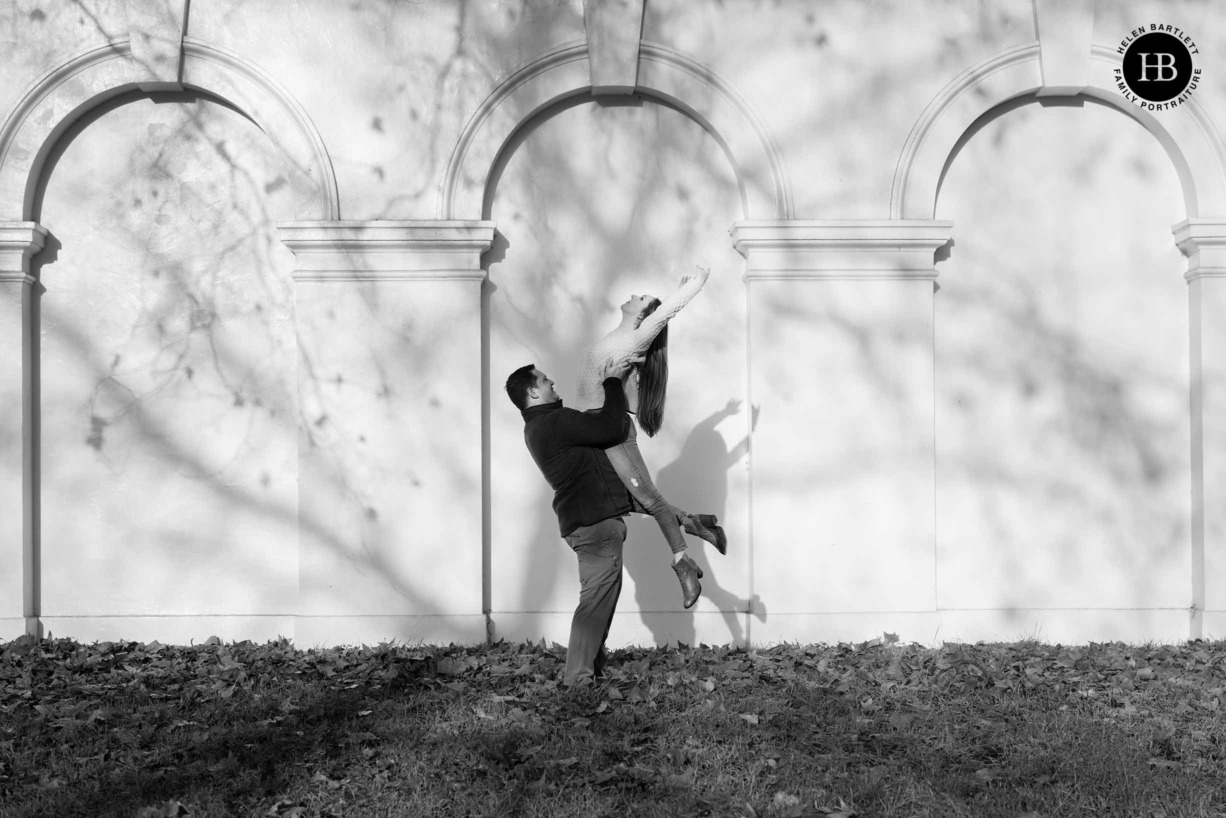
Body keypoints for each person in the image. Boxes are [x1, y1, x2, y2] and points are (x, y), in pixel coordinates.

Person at [572, 266, 726, 609]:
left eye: (640, 298)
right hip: (593, 429)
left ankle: (682, 563)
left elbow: (665, 314)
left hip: (610, 430)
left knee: (650, 499)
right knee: (628, 499)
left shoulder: (635, 340)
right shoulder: (615, 337)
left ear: (643, 314)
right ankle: (695, 523)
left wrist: (695, 283)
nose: (633, 295)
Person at [505, 359, 643, 686]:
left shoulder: (543, 425)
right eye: (546, 381)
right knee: (595, 603)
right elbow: (611, 428)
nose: (553, 383)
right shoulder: (554, 422)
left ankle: (588, 671)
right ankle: (577, 680)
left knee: (600, 600)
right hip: (594, 524)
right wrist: (611, 383)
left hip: (588, 523)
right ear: (532, 392)